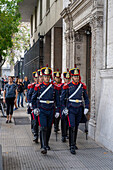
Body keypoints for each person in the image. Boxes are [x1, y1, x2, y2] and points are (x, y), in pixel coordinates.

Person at [31, 65, 60, 154]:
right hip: (42, 109)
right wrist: (35, 108)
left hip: (51, 109)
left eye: (48, 77)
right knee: (43, 127)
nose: (47, 78)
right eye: (45, 77)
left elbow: (57, 100)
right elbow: (33, 98)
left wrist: (58, 110)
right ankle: (43, 146)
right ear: (43, 77)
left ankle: (46, 143)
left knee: (49, 127)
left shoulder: (54, 87)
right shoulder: (39, 87)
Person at [61, 65, 89, 155]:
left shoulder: (82, 86)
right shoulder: (67, 86)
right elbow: (62, 99)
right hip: (71, 108)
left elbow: (86, 98)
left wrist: (86, 107)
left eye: (77, 76)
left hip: (79, 108)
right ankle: (71, 146)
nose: (76, 78)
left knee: (76, 127)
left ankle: (74, 142)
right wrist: (64, 108)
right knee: (72, 126)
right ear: (72, 77)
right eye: (74, 76)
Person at [61, 68, 71, 142]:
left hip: (69, 105)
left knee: (68, 121)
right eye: (66, 79)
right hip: (63, 104)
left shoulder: (70, 86)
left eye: (68, 79)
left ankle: (67, 133)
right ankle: (63, 135)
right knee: (64, 120)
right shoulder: (62, 86)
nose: (67, 80)